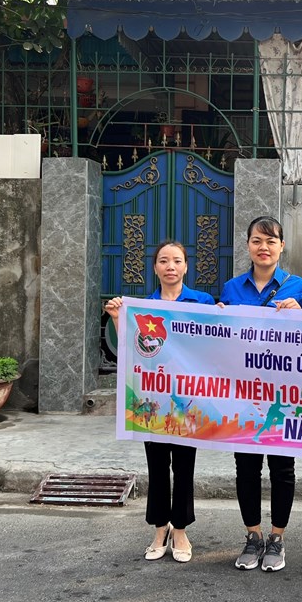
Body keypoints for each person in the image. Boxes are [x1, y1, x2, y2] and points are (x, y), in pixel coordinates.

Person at [104, 240, 215, 564]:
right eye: (164, 261)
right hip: (152, 398)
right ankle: (159, 528)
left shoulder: (202, 302)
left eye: (177, 260)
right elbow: (131, 348)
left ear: (186, 267)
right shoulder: (143, 307)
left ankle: (180, 529)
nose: (170, 266)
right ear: (155, 268)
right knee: (156, 466)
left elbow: (214, 344)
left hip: (187, 399)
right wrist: (117, 318)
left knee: (184, 466)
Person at [219, 215, 302, 572]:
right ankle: (253, 535)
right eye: (257, 241)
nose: (264, 247)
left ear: (281, 246)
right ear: (248, 245)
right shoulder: (231, 289)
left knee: (282, 467)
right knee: (245, 467)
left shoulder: (299, 287)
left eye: (271, 241)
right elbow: (220, 341)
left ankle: (277, 537)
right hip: (243, 394)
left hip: (284, 394)